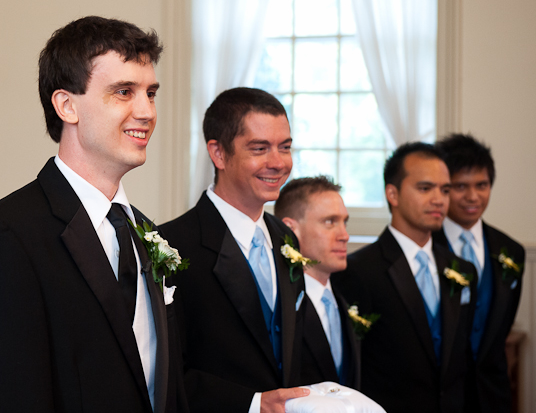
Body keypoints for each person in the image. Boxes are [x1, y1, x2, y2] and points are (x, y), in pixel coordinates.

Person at [0, 16, 188, 413]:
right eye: (124, 92)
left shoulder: (144, 231)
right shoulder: (4, 235)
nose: (146, 111)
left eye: (151, 93)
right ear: (67, 105)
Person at [160, 87, 309, 413]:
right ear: (219, 153)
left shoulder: (286, 239)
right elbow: (165, 373)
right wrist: (253, 404)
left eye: (285, 147)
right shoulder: (172, 246)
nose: (278, 162)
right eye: (260, 148)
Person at [332, 142, 477, 413]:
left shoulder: (463, 270)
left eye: (445, 189)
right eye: (425, 188)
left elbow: (463, 358)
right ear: (393, 194)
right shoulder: (358, 270)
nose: (439, 199)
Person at [433, 133, 525, 413]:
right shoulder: (424, 248)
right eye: (461, 186)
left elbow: (501, 327)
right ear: (444, 188)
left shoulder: (511, 251)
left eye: (482, 185)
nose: (473, 197)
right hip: (438, 397)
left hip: (492, 395)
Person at [274, 176, 360, 389]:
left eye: (344, 222)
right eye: (330, 222)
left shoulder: (347, 295)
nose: (345, 235)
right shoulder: (277, 304)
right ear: (290, 230)